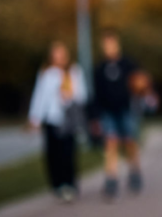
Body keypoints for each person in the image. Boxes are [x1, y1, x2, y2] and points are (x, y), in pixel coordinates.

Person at [27, 41, 87, 203]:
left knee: (68, 153)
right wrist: (35, 118)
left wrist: (70, 95)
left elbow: (82, 95)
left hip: (68, 120)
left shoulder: (74, 72)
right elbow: (39, 96)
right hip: (52, 119)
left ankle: (70, 184)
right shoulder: (46, 73)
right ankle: (57, 185)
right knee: (53, 154)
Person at [91, 31, 144, 200]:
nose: (109, 47)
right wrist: (94, 117)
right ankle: (111, 178)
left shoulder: (128, 64)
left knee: (129, 142)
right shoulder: (99, 69)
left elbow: (140, 82)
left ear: (117, 44)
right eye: (106, 44)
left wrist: (141, 86)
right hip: (108, 111)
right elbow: (96, 94)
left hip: (126, 109)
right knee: (111, 143)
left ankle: (134, 171)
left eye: (111, 43)